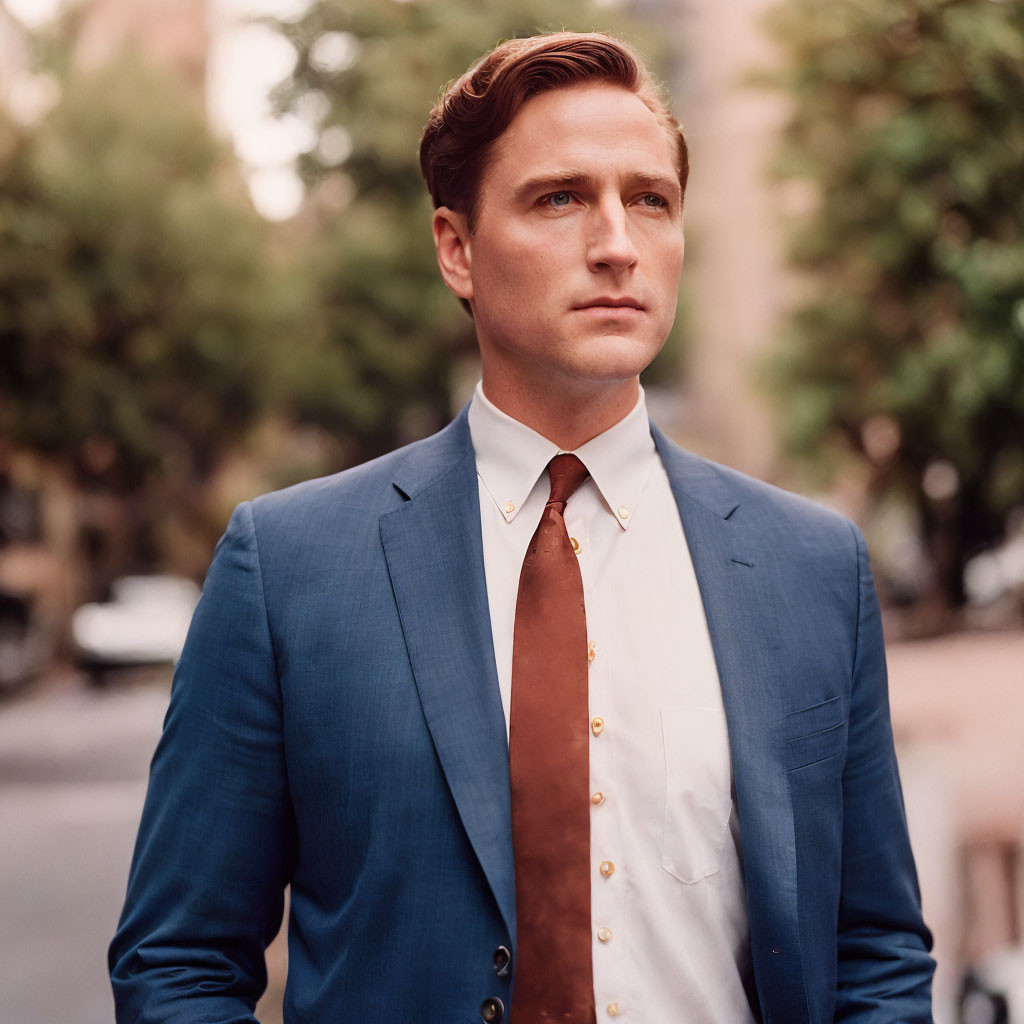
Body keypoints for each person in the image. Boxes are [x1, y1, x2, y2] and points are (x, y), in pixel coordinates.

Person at [109, 31, 935, 1024]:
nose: (617, 243)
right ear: (456, 249)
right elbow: (180, 958)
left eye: (648, 200)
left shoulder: (811, 566)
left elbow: (874, 949)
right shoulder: (287, 569)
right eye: (559, 198)